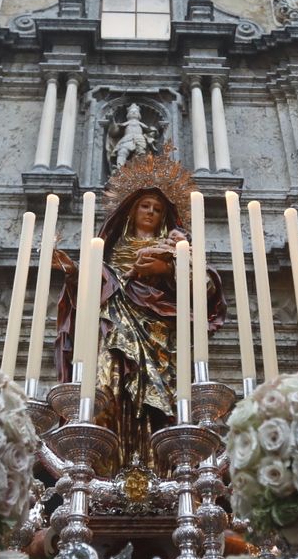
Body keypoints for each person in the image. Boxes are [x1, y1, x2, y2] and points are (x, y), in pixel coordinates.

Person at [55, 183, 224, 467]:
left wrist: (169, 268)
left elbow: (205, 288)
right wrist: (72, 272)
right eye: (145, 206)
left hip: (160, 332)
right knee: (105, 387)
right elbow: (94, 286)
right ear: (132, 211)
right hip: (112, 324)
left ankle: (162, 468)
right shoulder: (110, 247)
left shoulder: (178, 247)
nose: (151, 212)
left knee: (165, 402)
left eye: (157, 209)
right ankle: (100, 468)